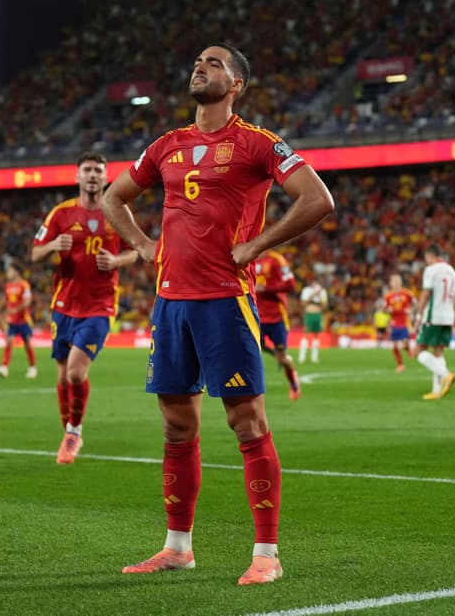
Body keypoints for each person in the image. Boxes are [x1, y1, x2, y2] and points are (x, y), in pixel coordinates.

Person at [101, 42, 334, 585]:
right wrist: (143, 245)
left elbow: (318, 199)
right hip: (170, 303)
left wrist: (257, 245)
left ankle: (267, 554)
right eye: (197, 62)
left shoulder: (258, 143)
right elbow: (114, 197)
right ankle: (177, 548)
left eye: (213, 63)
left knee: (246, 421)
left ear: (236, 85)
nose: (199, 67)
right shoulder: (167, 144)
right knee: (176, 426)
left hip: (225, 300)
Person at [31, 151, 139, 464]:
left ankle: (74, 432)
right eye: (87, 170)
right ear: (78, 176)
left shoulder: (118, 211)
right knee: (63, 376)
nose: (92, 175)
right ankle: (68, 431)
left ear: (106, 178)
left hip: (100, 306)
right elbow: (35, 254)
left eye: (98, 171)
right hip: (64, 305)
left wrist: (116, 260)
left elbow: (137, 250)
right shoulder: (61, 214)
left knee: (76, 373)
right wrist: (53, 246)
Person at [254, 249, 300, 400]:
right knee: (251, 351)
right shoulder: (250, 258)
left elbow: (291, 285)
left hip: (276, 318)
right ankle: (253, 391)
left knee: (282, 359)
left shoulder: (276, 259)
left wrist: (266, 289)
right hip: (256, 316)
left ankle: (293, 380)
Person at [413, 246, 455, 400]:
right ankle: (437, 390)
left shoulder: (431, 270)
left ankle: (446, 375)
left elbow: (426, 293)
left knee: (418, 351)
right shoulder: (452, 271)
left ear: (429, 255)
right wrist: (453, 314)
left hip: (433, 316)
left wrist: (419, 316)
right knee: (438, 352)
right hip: (448, 316)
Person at [0, 262, 38, 379]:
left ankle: (32, 367)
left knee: (27, 343)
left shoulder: (24, 285)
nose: (8, 273)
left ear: (16, 272)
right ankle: (4, 367)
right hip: (12, 320)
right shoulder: (8, 286)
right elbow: (6, 300)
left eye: (10, 271)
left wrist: (16, 309)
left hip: (24, 319)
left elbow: (27, 301)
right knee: (9, 341)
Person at [382, 273, 415, 372]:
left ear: (401, 282)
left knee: (405, 343)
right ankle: (400, 364)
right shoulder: (388, 296)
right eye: (393, 281)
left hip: (405, 322)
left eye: (397, 281)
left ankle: (408, 349)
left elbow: (415, 304)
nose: (395, 283)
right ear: (390, 283)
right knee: (395, 345)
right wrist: (388, 310)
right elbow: (383, 309)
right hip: (394, 323)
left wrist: (411, 310)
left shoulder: (408, 293)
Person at [298, 274, 328, 363]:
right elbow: (303, 304)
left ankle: (314, 357)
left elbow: (324, 306)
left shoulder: (322, 291)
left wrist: (319, 295)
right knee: (306, 334)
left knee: (316, 336)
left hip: (318, 314)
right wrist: (313, 294)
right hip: (309, 314)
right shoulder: (306, 290)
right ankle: (302, 356)